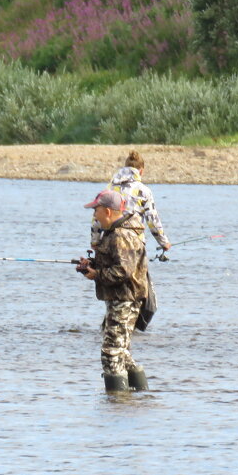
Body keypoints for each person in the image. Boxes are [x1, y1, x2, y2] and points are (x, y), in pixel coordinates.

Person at [76, 189, 150, 393]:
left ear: (108, 212)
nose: (94, 215)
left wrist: (96, 275)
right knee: (122, 352)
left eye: (96, 210)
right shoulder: (116, 233)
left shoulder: (121, 235)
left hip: (125, 300)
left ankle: (117, 401)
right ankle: (139, 395)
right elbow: (118, 263)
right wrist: (91, 264)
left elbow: (123, 271)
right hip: (122, 300)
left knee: (111, 353)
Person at [90, 150, 171, 253]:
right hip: (134, 243)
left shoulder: (109, 188)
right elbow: (152, 220)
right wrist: (164, 242)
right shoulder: (144, 191)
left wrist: (95, 242)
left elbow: (97, 218)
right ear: (141, 171)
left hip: (109, 242)